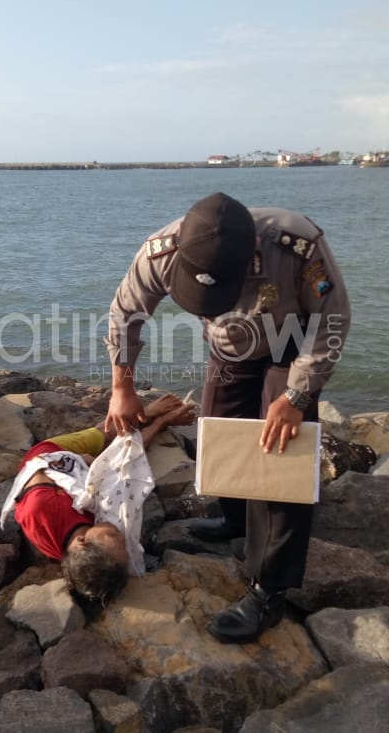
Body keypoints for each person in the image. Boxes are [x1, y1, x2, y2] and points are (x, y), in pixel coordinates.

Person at [104, 191, 351, 643]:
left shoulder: (295, 244)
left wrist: (296, 395)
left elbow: (331, 321)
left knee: (279, 456)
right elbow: (125, 312)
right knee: (217, 434)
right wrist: (122, 386)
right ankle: (237, 519)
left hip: (290, 346)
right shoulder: (159, 252)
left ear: (254, 254)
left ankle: (268, 588)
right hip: (231, 344)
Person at [0, 393, 195, 604]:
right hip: (75, 488)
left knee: (102, 436)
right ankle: (159, 422)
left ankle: (146, 412)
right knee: (123, 468)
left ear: (82, 542)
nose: (121, 535)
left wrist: (82, 464)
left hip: (50, 456)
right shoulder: (85, 556)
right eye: (124, 544)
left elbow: (38, 466)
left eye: (115, 539)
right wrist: (162, 424)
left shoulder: (40, 510)